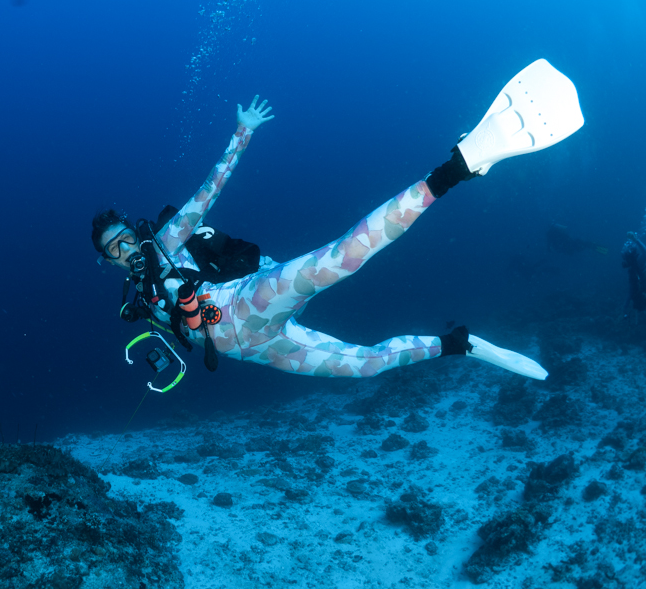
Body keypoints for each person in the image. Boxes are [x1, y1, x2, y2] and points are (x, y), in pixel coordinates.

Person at [92, 60, 584, 381]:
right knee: (365, 366)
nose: (126, 249)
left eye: (125, 238)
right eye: (114, 249)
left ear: (136, 232)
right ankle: (460, 344)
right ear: (106, 261)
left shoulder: (164, 241)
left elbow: (207, 192)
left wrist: (242, 133)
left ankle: (457, 168)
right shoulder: (136, 303)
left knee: (342, 256)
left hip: (250, 299)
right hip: (255, 347)